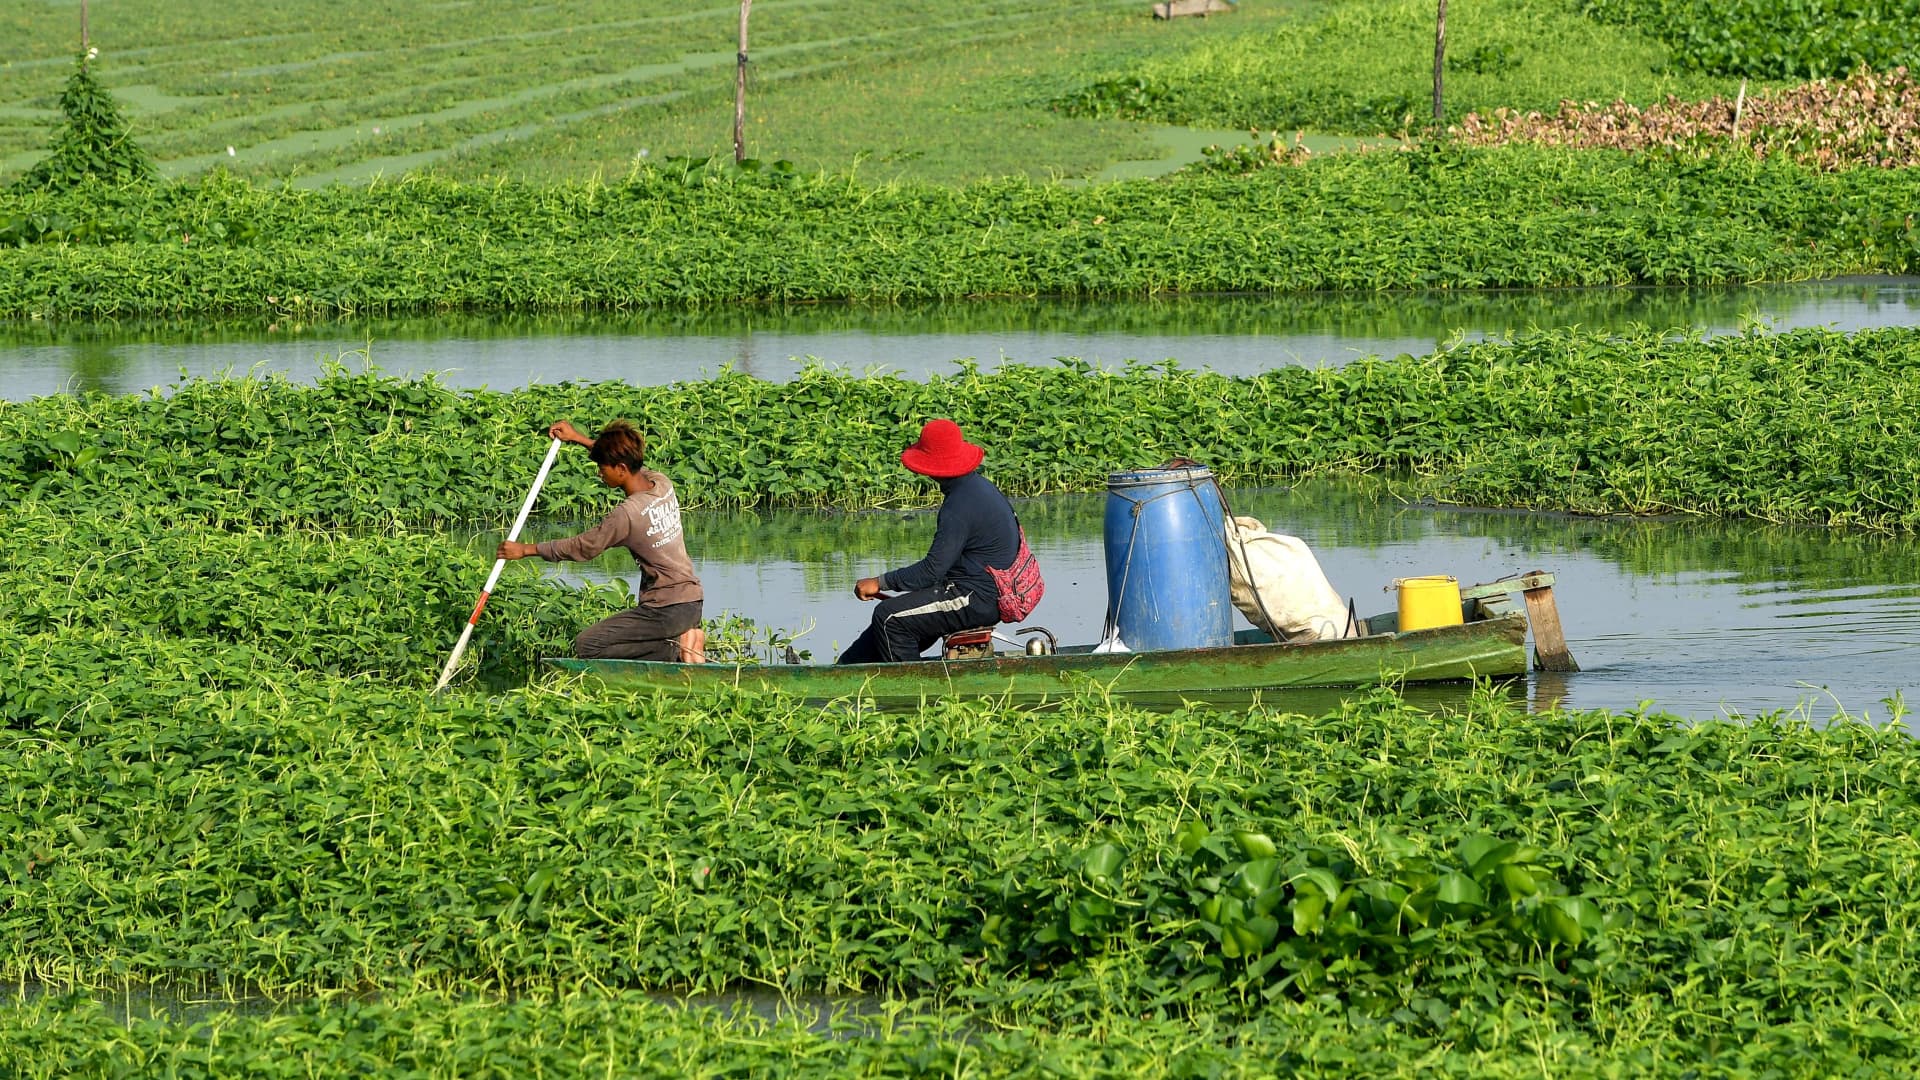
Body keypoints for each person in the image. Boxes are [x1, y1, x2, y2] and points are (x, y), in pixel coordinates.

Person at [497, 420, 704, 661]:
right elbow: (627, 457)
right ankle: (680, 641)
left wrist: (526, 549)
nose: (599, 473)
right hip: (692, 602)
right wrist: (578, 438)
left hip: (665, 610)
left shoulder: (628, 514)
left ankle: (676, 647)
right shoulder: (661, 483)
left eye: (602, 467)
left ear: (621, 469)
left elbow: (584, 547)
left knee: (589, 645)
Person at [839, 419, 1020, 664]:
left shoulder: (959, 506)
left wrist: (879, 582)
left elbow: (930, 571)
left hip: (977, 598)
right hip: (983, 590)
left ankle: (911, 690)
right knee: (905, 615)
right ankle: (847, 667)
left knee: (889, 617)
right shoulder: (978, 487)